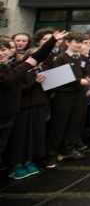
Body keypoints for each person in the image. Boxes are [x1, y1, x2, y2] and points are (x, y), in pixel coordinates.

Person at [2, 31, 61, 178]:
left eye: (4, 50)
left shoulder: (8, 67)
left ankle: (27, 161)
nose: (3, 53)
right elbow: (12, 78)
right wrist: (31, 73)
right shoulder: (11, 69)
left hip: (10, 113)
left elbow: (36, 57)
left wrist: (52, 41)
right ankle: (15, 165)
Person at [47, 32, 90, 164]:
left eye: (81, 42)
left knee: (74, 122)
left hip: (78, 95)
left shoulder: (80, 58)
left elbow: (84, 73)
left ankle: (68, 149)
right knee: (59, 124)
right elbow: (57, 77)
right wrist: (79, 81)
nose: (79, 45)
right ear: (67, 43)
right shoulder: (60, 58)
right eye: (76, 42)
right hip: (64, 96)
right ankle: (52, 154)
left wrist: (86, 80)